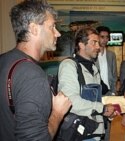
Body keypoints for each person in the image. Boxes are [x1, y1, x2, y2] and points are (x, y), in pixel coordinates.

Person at [0, 1, 72, 140]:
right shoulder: (33, 76)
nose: (57, 33)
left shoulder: (3, 60)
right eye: (52, 27)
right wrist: (57, 113)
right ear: (33, 29)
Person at [57, 27, 117, 141]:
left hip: (95, 132)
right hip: (79, 132)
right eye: (94, 42)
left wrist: (109, 110)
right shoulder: (69, 65)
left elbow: (96, 100)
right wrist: (102, 109)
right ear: (81, 45)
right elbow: (70, 101)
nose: (98, 47)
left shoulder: (93, 68)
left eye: (98, 43)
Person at [95, 26, 117, 96]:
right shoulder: (92, 55)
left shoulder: (111, 55)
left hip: (109, 92)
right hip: (95, 92)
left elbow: (114, 75)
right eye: (102, 37)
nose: (105, 40)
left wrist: (113, 91)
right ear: (97, 37)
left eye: (107, 37)